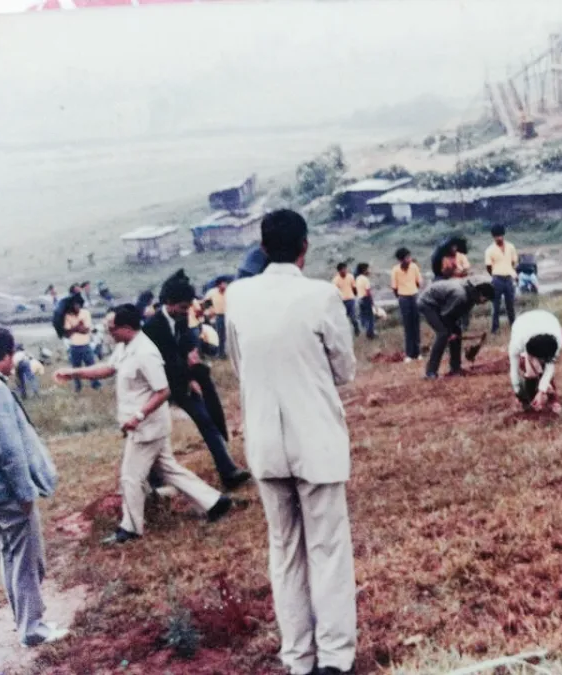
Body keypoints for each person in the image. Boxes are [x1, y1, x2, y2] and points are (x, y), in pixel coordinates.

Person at [225, 209, 358, 675]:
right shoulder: (321, 295)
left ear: (263, 248)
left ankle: (298, 657)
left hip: (265, 441)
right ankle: (335, 658)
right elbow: (345, 370)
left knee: (285, 551)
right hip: (316, 439)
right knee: (328, 550)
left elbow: (239, 365)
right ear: (305, 247)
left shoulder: (237, 296)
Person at [55, 306, 232, 544]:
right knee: (168, 469)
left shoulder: (146, 353)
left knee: (130, 477)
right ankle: (215, 502)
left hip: (147, 428)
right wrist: (74, 373)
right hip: (145, 426)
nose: (109, 332)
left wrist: (138, 416)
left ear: (127, 328)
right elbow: (108, 369)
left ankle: (130, 528)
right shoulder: (124, 347)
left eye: (112, 328)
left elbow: (163, 391)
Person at [143, 270, 251, 491]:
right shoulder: (152, 327)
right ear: (169, 303)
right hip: (157, 384)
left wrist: (193, 373)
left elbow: (185, 347)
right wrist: (189, 378)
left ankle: (228, 471)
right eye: (182, 308)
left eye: (188, 308)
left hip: (180, 379)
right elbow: (166, 361)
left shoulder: (181, 318)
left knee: (206, 421)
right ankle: (153, 480)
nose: (186, 312)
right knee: (154, 431)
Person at [0, 329, 68, 647]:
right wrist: (25, 492)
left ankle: (24, 621)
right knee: (26, 560)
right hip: (8, 493)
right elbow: (9, 449)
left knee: (10, 556)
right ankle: (32, 628)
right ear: (7, 354)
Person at [418, 277, 495, 380]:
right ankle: (430, 372)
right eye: (486, 299)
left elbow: (455, 315)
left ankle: (455, 368)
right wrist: (450, 332)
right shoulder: (460, 295)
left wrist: (454, 331)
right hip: (428, 303)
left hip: (440, 306)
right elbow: (445, 316)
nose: (484, 302)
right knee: (443, 334)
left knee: (457, 331)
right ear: (480, 294)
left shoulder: (471, 297)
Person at [508, 310, 562, 414]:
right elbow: (514, 370)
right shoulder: (517, 343)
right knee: (530, 371)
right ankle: (529, 400)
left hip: (548, 320)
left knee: (542, 367)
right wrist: (518, 392)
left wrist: (541, 391)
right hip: (522, 324)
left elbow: (550, 367)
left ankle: (552, 397)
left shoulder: (557, 341)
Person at [391, 248, 423, 362]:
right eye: (407, 258)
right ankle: (409, 353)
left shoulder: (414, 267)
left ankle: (418, 352)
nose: (409, 259)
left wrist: (413, 291)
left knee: (416, 324)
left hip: (414, 296)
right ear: (401, 259)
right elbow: (394, 287)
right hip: (403, 298)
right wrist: (401, 295)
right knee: (407, 326)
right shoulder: (395, 270)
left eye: (409, 257)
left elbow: (418, 282)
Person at [485, 225, 518, 334]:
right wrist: (495, 275)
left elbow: (513, 262)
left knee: (510, 305)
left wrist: (509, 271)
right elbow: (488, 266)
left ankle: (513, 326)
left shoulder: (511, 247)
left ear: (503, 235)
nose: (498, 238)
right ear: (493, 237)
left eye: (500, 235)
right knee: (496, 306)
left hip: (508, 278)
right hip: (497, 279)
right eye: (496, 236)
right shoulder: (489, 250)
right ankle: (495, 329)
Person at [64, 294, 100, 393]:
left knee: (91, 366)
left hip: (85, 344)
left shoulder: (86, 313)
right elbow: (67, 333)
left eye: (77, 304)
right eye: (73, 305)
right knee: (75, 369)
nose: (76, 306)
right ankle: (78, 387)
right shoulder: (67, 315)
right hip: (74, 346)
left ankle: (95, 385)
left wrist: (74, 328)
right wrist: (78, 326)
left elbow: (86, 330)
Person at [204, 278, 230, 358]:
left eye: (226, 283)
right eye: (223, 284)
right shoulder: (212, 292)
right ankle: (220, 353)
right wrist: (210, 310)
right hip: (219, 316)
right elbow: (206, 302)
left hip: (229, 315)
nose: (225, 285)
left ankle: (231, 351)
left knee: (230, 334)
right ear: (219, 285)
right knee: (220, 335)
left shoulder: (229, 291)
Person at [332, 263, 360, 337]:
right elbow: (334, 293)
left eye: (345, 269)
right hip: (341, 302)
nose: (344, 271)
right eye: (342, 270)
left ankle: (357, 330)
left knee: (353, 317)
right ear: (339, 271)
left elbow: (354, 287)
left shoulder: (350, 276)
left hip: (351, 300)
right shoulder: (335, 280)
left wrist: (356, 295)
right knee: (343, 318)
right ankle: (344, 333)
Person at [355, 263, 376, 339]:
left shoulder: (357, 278)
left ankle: (366, 330)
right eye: (368, 269)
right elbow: (368, 292)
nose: (369, 271)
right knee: (370, 317)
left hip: (360, 299)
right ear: (364, 270)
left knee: (363, 316)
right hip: (366, 298)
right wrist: (371, 301)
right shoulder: (365, 279)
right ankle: (370, 334)